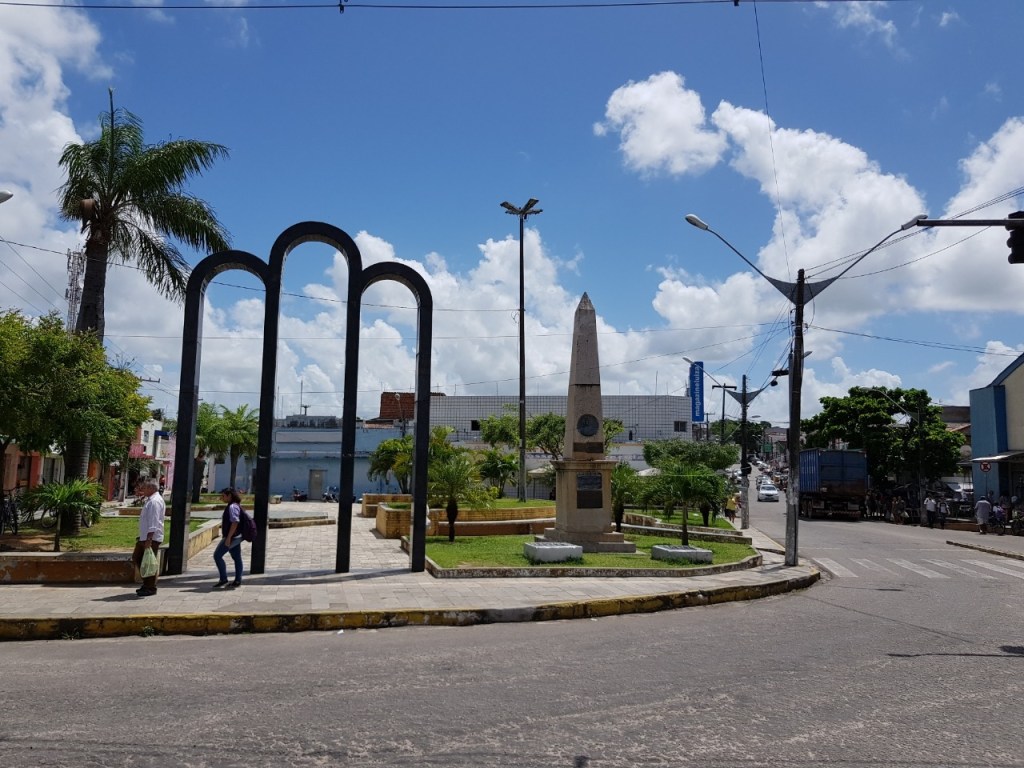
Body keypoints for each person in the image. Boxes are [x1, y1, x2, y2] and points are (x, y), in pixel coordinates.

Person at [132, 477, 165, 597]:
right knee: (139, 559)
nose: (143, 490)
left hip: (151, 538)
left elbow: (154, 521)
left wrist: (149, 539)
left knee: (147, 562)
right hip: (144, 537)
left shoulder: (154, 501)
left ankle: (150, 586)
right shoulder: (151, 500)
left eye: (145, 488)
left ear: (151, 488)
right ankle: (147, 584)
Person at [213, 487, 245, 589]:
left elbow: (235, 522)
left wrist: (228, 538)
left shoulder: (232, 507)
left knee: (217, 555)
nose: (222, 498)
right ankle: (237, 580)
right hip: (236, 536)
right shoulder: (233, 506)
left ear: (229, 496)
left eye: (223, 496)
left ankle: (223, 579)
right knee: (236, 557)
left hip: (233, 537)